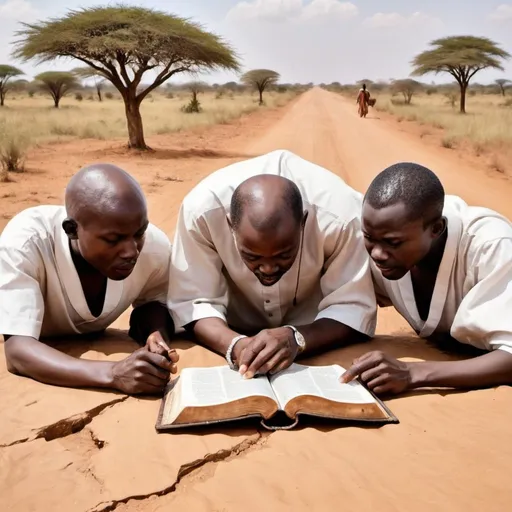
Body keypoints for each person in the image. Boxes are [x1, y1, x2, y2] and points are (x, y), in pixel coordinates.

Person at [169, 149, 377, 380]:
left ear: (304, 223)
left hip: (314, 331)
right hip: (235, 327)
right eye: (252, 257)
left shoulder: (342, 218)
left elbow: (353, 306)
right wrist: (236, 345)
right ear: (230, 225)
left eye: (283, 255)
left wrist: (297, 338)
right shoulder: (202, 213)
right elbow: (193, 302)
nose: (268, 269)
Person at [0, 164, 178, 395]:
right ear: (71, 230)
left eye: (139, 234)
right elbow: (18, 351)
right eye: (113, 239)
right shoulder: (26, 244)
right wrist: (113, 373)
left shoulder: (154, 248)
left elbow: (152, 303)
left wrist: (156, 335)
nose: (131, 251)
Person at [341, 162, 512, 394]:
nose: (377, 254)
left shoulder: (490, 246)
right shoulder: (381, 242)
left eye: (393, 242)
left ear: (437, 229)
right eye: (369, 237)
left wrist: (413, 373)